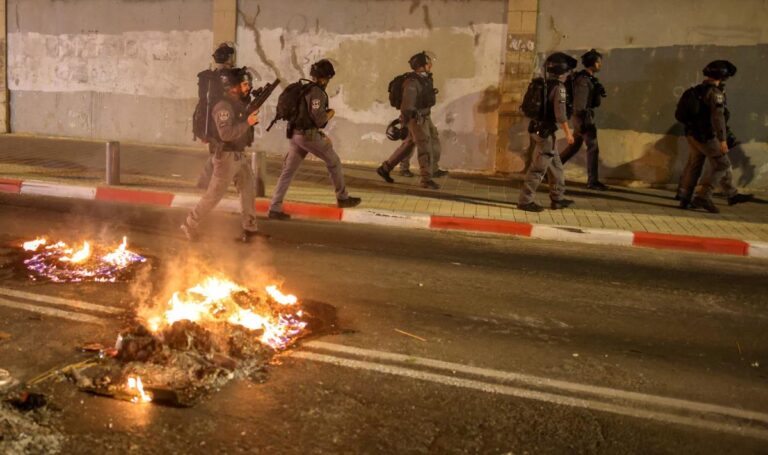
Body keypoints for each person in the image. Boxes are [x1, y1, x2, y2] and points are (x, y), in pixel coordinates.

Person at [267, 59, 361, 220]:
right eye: (328, 78)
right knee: (334, 162)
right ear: (324, 78)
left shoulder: (304, 89)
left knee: (287, 172)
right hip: (307, 136)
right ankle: (342, 197)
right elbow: (319, 120)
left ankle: (274, 208)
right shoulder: (316, 93)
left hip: (295, 134)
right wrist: (331, 113)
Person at [180, 68, 265, 243]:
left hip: (238, 155)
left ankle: (250, 229)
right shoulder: (223, 107)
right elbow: (226, 134)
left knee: (248, 190)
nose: (248, 87)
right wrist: (248, 123)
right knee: (213, 196)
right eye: (244, 84)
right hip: (226, 157)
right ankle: (190, 224)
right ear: (233, 87)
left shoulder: (237, 103)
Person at [678, 60, 753, 213]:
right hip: (707, 136)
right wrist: (722, 140)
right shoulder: (715, 93)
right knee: (722, 165)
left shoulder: (697, 90)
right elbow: (718, 118)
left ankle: (685, 198)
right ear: (723, 76)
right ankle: (703, 197)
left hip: (692, 134)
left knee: (695, 166)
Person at [376, 51, 446, 189]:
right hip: (416, 119)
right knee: (425, 148)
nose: (430, 65)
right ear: (421, 66)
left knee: (409, 145)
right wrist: (407, 123)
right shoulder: (412, 82)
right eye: (428, 63)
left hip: (424, 116)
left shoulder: (424, 79)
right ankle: (426, 179)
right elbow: (407, 106)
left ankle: (385, 169)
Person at [517, 53, 577, 212]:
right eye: (567, 70)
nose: (568, 74)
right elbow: (560, 115)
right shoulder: (559, 88)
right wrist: (568, 134)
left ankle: (558, 198)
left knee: (556, 166)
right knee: (538, 169)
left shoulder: (543, 84)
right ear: (562, 70)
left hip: (538, 129)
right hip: (546, 134)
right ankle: (525, 201)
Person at [558, 49, 608, 190]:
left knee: (574, 147)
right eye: (598, 62)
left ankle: (550, 169)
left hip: (582, 117)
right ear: (592, 63)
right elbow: (579, 105)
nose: (600, 64)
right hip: (583, 118)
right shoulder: (583, 80)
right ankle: (592, 181)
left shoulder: (590, 79)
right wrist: (584, 123)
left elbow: (594, 102)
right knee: (593, 147)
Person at [196, 43, 237, 190]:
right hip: (222, 121)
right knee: (222, 153)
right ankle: (206, 182)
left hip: (210, 121)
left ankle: (206, 182)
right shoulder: (227, 77)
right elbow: (233, 98)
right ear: (228, 58)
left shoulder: (210, 76)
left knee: (219, 153)